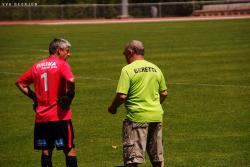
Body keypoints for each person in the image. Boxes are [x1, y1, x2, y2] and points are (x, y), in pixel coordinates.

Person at [15, 38, 78, 167]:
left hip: (41, 118)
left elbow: (20, 83)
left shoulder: (37, 66)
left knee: (46, 151)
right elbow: (71, 80)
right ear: (59, 50)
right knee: (69, 149)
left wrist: (34, 98)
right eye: (67, 51)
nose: (69, 54)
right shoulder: (61, 64)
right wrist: (69, 96)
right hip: (60, 116)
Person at [108, 40, 168, 167]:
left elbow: (122, 95)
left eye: (125, 54)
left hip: (137, 118)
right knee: (158, 158)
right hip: (156, 116)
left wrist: (113, 107)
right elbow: (164, 93)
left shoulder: (127, 70)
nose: (125, 57)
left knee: (132, 159)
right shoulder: (155, 68)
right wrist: (154, 105)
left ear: (130, 52)